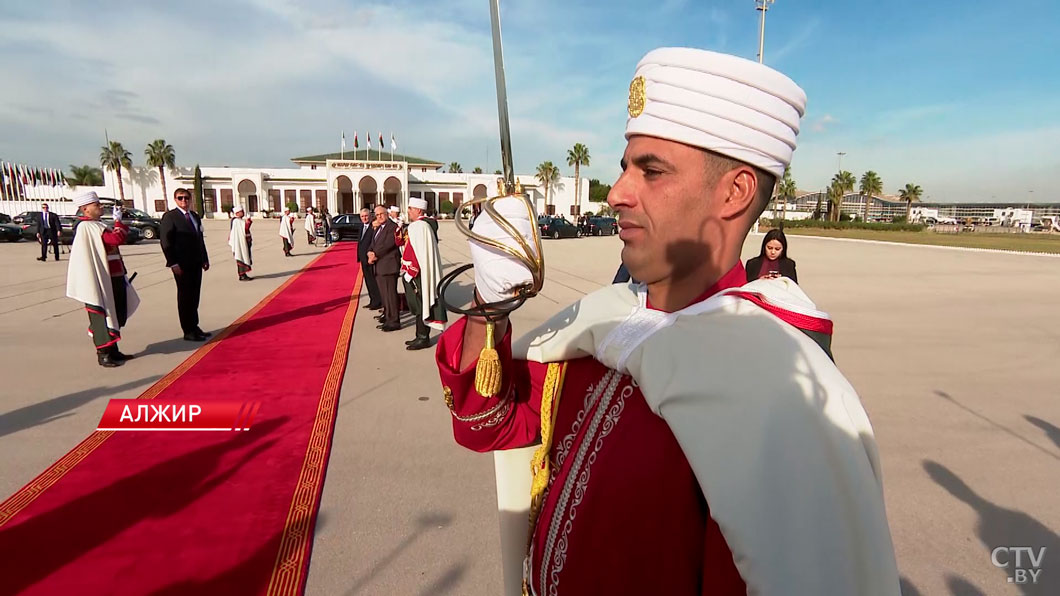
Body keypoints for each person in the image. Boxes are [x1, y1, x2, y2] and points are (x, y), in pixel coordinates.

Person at [436, 48, 898, 595]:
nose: (619, 191)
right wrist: (490, 304)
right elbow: (486, 423)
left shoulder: (781, 401)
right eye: (626, 165)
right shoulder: (608, 326)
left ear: (735, 192)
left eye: (651, 170)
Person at [66, 191, 138, 367]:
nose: (100, 207)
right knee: (102, 315)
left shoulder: (96, 224)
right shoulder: (87, 227)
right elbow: (115, 238)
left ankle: (113, 349)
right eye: (96, 205)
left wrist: (120, 223)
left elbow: (118, 237)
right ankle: (103, 353)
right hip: (101, 280)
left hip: (114, 277)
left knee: (116, 313)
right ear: (85, 209)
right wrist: (118, 222)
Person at [160, 188, 210, 342]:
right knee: (185, 297)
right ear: (175, 200)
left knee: (194, 296)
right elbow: (166, 242)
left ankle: (194, 326)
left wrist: (204, 258)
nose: (184, 201)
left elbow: (199, 239)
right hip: (181, 264)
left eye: (186, 198)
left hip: (196, 262)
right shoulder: (170, 217)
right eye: (180, 198)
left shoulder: (194, 216)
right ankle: (188, 330)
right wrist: (173, 263)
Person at [399, 197, 446, 350]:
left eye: (411, 209)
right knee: (422, 303)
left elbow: (413, 252)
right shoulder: (426, 225)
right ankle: (420, 335)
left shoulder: (418, 226)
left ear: (418, 210)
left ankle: (423, 337)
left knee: (420, 304)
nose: (408, 211)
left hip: (417, 273)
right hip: (422, 271)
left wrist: (409, 272)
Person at [367, 205, 401, 331]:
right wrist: (370, 252)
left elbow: (388, 244)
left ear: (387, 214)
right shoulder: (379, 228)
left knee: (390, 295)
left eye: (381, 214)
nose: (379, 216)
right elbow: (373, 243)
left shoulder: (393, 227)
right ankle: (388, 317)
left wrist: (375, 254)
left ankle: (394, 321)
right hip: (380, 265)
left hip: (389, 266)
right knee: (385, 295)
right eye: (377, 215)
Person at [356, 208, 382, 310]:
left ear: (370, 216)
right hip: (363, 259)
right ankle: (372, 300)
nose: (364, 218)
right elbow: (360, 243)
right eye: (362, 216)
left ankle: (377, 301)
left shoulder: (374, 227)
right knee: (368, 281)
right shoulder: (361, 226)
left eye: (366, 216)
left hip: (370, 259)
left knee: (373, 281)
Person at [229, 205, 253, 281]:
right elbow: (245, 228)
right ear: (237, 213)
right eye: (241, 211)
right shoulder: (236, 221)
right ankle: (242, 275)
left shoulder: (239, 220)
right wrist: (248, 222)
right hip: (240, 243)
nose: (243, 212)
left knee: (244, 255)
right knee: (241, 256)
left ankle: (243, 273)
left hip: (244, 242)